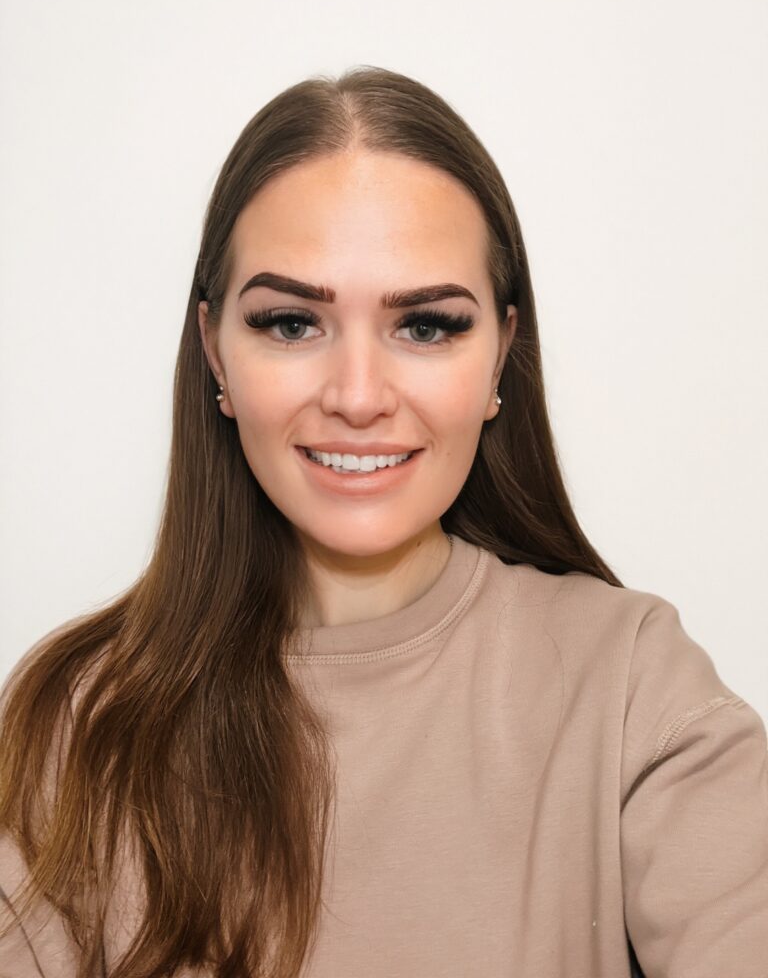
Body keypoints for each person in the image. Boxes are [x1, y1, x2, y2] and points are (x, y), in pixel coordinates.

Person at [0, 66, 766, 978]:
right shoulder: (78, 721)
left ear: (499, 360)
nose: (358, 398)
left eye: (428, 326)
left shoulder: (635, 687)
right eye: (291, 324)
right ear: (215, 350)